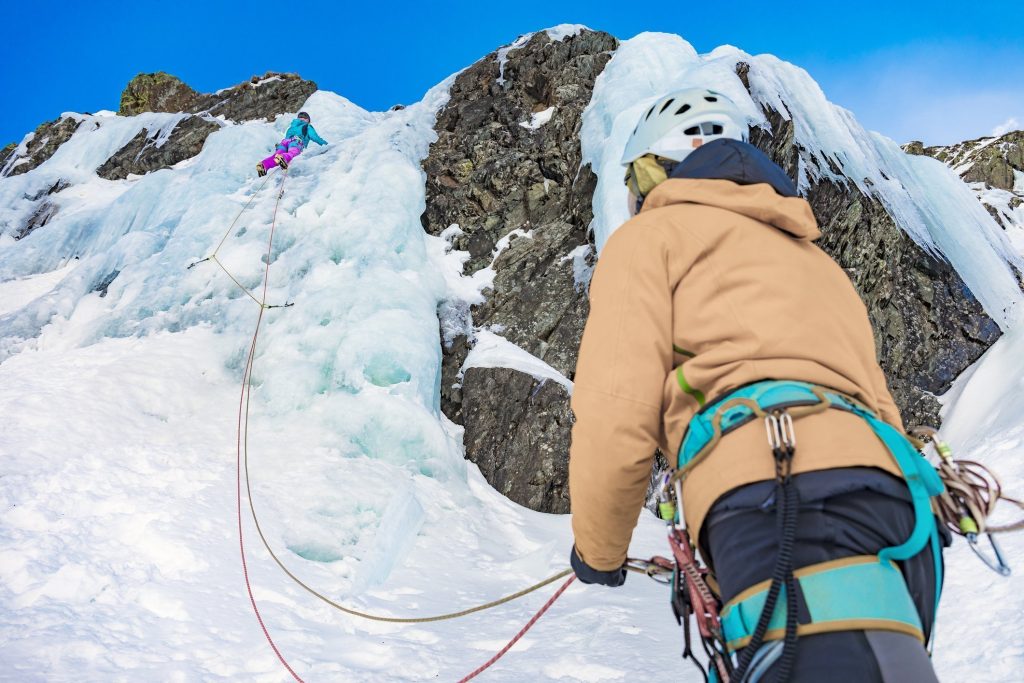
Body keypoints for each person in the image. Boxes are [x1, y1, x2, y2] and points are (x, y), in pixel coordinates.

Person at [567, 87, 946, 681]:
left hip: (777, 499)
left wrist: (598, 553)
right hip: (897, 511)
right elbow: (877, 401)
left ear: (653, 169)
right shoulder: (815, 259)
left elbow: (618, 410)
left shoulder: (649, 240)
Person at [256, 111, 328, 176]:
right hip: (296, 142)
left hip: (284, 143)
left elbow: (288, 137)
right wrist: (325, 144)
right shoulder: (307, 126)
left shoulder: (292, 127)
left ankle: (263, 165)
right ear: (307, 119)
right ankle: (283, 158)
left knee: (275, 157)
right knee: (292, 152)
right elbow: (314, 137)